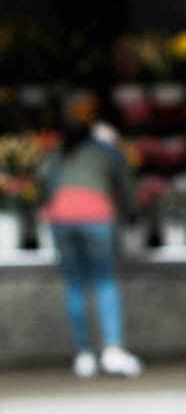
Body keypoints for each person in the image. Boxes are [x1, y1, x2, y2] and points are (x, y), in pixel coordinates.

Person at [39, 92, 142, 379]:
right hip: (97, 217)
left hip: (61, 217)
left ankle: (84, 355)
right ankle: (112, 350)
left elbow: (43, 183)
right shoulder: (105, 150)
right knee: (105, 281)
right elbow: (126, 184)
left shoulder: (57, 152)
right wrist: (133, 214)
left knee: (75, 285)